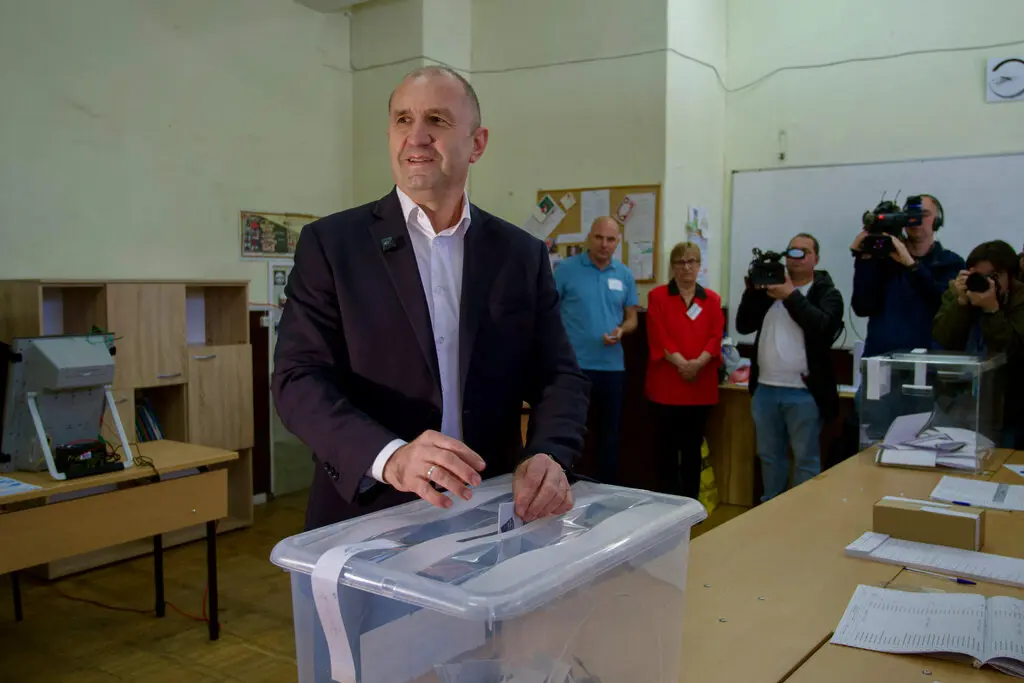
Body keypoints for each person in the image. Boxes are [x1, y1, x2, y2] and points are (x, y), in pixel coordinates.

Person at [272, 66, 589, 529]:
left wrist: (549, 452)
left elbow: (558, 375)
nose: (416, 137)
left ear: (477, 143)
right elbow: (298, 380)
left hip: (490, 507)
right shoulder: (333, 246)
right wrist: (391, 457)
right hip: (371, 511)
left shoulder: (519, 254)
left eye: (437, 120)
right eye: (403, 120)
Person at [736, 234, 844, 502]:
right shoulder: (769, 290)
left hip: (804, 392)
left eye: (803, 252)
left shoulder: (826, 293)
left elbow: (823, 329)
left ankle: (803, 513)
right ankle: (771, 509)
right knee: (769, 456)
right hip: (765, 390)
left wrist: (791, 296)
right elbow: (743, 325)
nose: (795, 257)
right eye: (791, 251)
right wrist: (753, 291)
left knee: (805, 458)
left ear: (816, 259)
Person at [554, 217, 639, 484]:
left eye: (610, 239)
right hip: (574, 369)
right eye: (599, 237)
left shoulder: (624, 274)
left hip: (612, 368)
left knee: (609, 437)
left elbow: (632, 319)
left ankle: (606, 493)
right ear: (589, 238)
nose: (604, 244)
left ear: (617, 242)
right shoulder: (566, 270)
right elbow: (548, 311)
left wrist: (621, 330)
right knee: (570, 435)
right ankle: (566, 490)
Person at [644, 242, 723, 499]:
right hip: (666, 386)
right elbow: (658, 335)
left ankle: (691, 505)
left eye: (691, 261)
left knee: (692, 451)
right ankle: (666, 507)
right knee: (665, 452)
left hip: (700, 387)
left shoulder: (712, 299)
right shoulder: (658, 296)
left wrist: (698, 363)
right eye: (680, 262)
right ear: (672, 266)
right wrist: (682, 364)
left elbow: (715, 336)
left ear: (699, 266)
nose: (686, 267)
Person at [933, 240, 1024, 449]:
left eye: (994, 276)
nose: (987, 282)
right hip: (958, 401)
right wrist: (960, 304)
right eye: (980, 276)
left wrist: (992, 310)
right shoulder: (958, 292)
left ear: (1010, 276)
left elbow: (1015, 350)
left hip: (1008, 406)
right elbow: (944, 339)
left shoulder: (1020, 299)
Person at [851, 194, 965, 357]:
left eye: (924, 214)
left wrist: (912, 266)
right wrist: (865, 259)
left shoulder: (950, 262)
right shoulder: (884, 261)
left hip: (927, 359)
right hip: (881, 358)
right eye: (910, 215)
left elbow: (943, 303)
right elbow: (862, 307)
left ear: (937, 221)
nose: (915, 220)